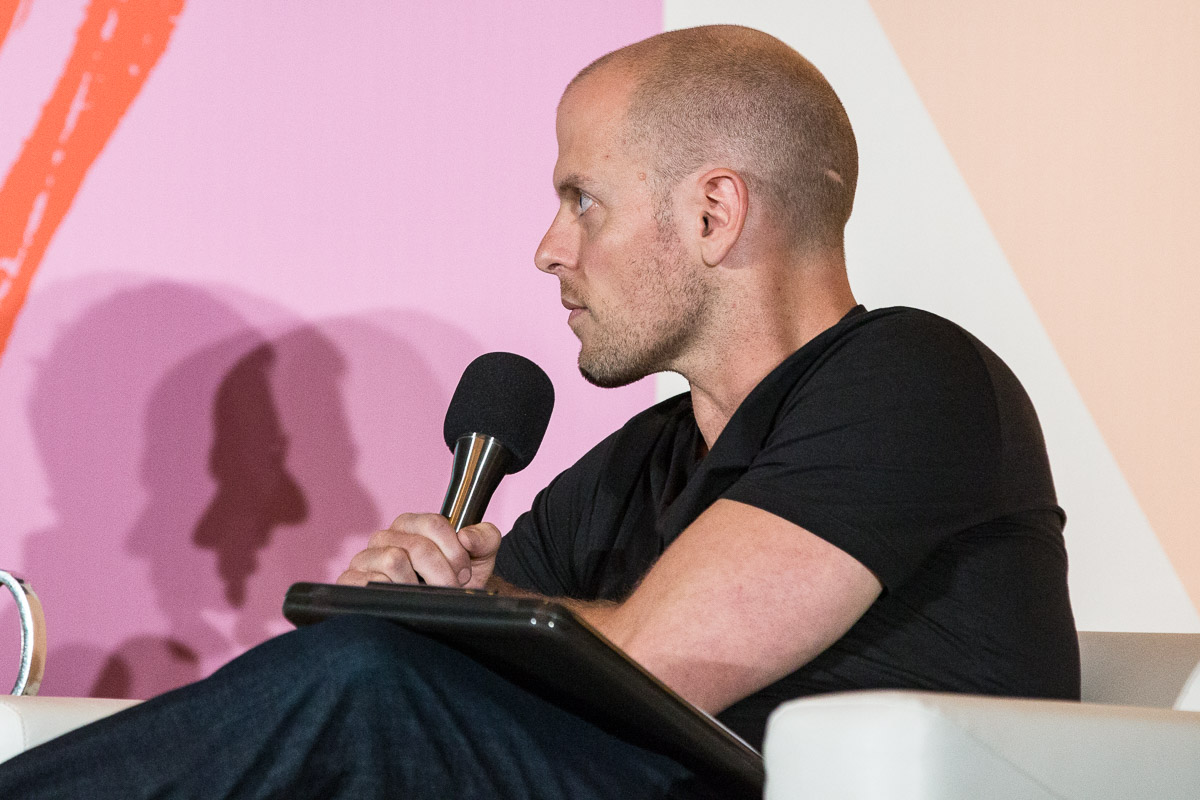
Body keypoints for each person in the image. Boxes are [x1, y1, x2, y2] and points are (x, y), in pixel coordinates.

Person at [0, 24, 1078, 800]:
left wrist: (429, 643)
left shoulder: (913, 378)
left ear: (714, 212)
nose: (549, 248)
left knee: (369, 684)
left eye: (582, 200)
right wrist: (432, 601)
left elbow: (662, 659)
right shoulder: (639, 463)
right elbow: (492, 670)